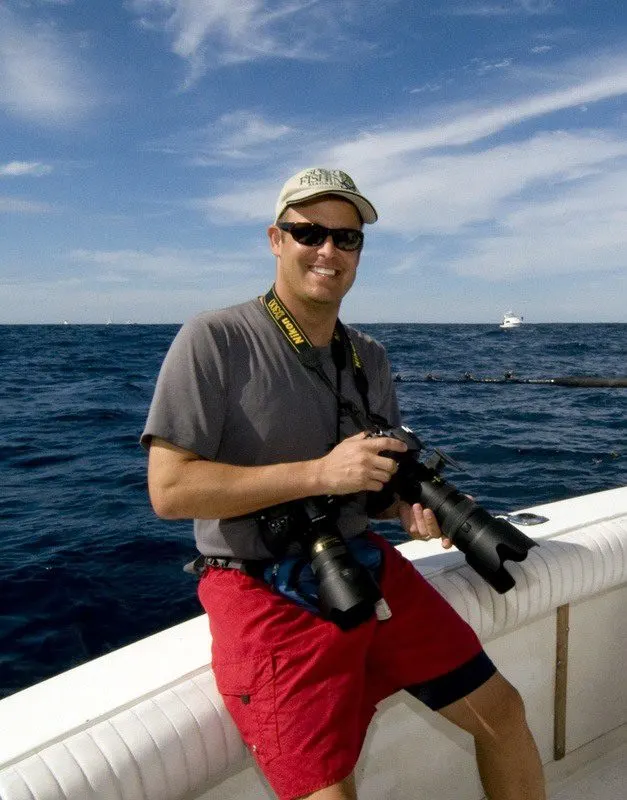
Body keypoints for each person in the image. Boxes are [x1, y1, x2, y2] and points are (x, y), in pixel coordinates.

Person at [141, 167, 546, 800]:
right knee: (328, 790)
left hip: (360, 561)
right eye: (309, 233)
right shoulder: (214, 339)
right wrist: (319, 473)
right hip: (259, 587)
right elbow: (169, 490)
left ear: (359, 252)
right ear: (277, 239)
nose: (328, 250)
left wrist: (408, 506)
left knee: (505, 715)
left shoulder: (369, 357)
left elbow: (371, 489)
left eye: (346, 238)